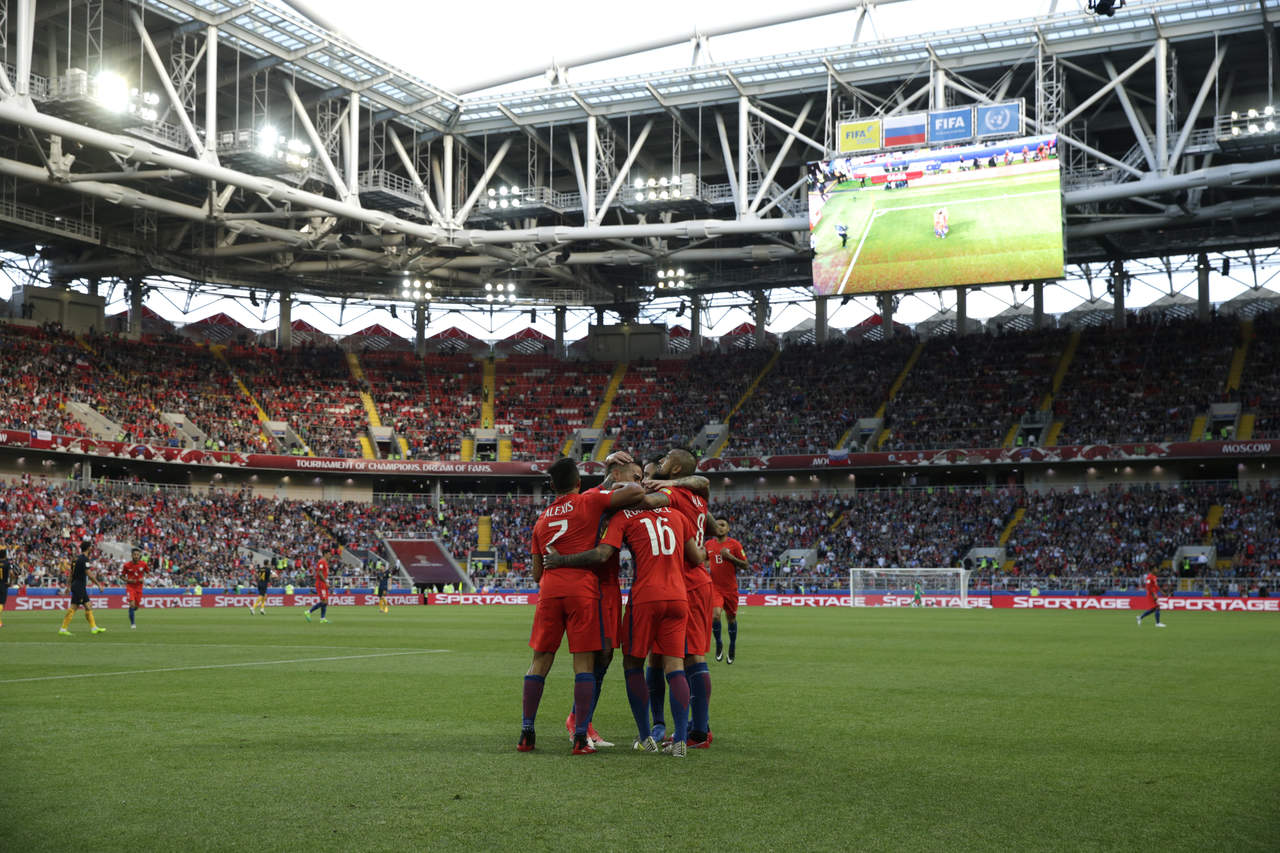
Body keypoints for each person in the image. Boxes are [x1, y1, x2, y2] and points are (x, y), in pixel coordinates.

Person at [546, 502, 705, 757]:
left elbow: (602, 554)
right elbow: (697, 558)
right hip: (678, 596)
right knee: (675, 667)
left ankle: (645, 738)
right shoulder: (677, 514)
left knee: (632, 665)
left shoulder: (624, 516)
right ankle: (681, 742)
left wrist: (561, 560)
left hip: (645, 597)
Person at [517, 457, 644, 755]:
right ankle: (580, 737)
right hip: (582, 589)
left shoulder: (541, 519)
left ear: (551, 486)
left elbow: (536, 573)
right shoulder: (589, 502)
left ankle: (526, 732)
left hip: (549, 590)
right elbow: (635, 494)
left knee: (539, 661)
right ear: (578, 483)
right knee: (584, 663)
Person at [564, 452, 645, 748]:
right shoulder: (592, 497)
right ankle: (578, 723)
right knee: (594, 655)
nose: (640, 484)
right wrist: (609, 465)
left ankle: (582, 720)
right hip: (591, 584)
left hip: (611, 586)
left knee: (607, 654)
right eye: (636, 477)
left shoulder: (619, 501)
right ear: (620, 476)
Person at [641, 448, 716, 748]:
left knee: (692, 656)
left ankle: (698, 731)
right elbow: (702, 484)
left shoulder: (674, 495)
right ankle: (697, 724)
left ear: (674, 471)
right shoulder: (695, 495)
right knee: (670, 655)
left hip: (687, 581)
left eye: (665, 460)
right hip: (688, 582)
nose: (660, 462)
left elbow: (649, 501)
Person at [706, 519, 747, 664]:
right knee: (715, 616)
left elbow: (746, 565)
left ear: (728, 528)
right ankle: (718, 643)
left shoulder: (734, 544)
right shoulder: (709, 544)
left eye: (722, 525)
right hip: (715, 588)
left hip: (730, 589)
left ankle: (732, 645)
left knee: (731, 618)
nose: (719, 527)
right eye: (717, 525)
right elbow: (703, 560)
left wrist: (730, 557)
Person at [59, 540, 106, 636]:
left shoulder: (76, 559)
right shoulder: (84, 559)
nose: (92, 548)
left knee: (88, 606)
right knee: (74, 607)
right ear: (88, 548)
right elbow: (89, 574)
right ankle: (63, 629)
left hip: (77, 585)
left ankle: (94, 628)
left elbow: (71, 574)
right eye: (91, 546)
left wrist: (68, 586)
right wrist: (98, 584)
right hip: (79, 586)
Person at [121, 547, 148, 629]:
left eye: (137, 554)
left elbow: (147, 573)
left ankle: (132, 609)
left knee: (136, 606)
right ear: (131, 555)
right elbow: (121, 576)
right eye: (134, 554)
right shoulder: (126, 565)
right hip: (130, 587)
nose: (136, 556)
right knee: (132, 604)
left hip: (139, 588)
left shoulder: (143, 564)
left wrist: (143, 578)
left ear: (139, 555)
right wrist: (128, 580)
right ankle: (133, 624)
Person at [305, 554, 331, 623]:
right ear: (326, 554)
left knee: (325, 601)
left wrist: (327, 582)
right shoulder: (321, 562)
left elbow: (324, 574)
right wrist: (326, 582)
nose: (330, 556)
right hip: (321, 584)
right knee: (324, 601)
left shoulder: (325, 562)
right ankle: (309, 612)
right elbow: (319, 573)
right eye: (330, 554)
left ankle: (322, 618)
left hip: (324, 583)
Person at [0, 546, 12, 628]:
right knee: (1, 603)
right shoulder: (7, 563)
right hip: (3, 584)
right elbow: (11, 574)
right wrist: (10, 582)